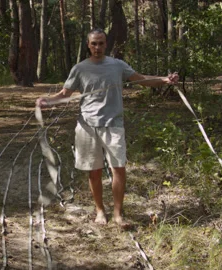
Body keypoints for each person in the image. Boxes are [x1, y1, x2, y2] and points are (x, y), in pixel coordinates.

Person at [36, 28, 179, 227]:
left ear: (106, 44)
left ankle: (118, 214)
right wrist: (47, 101)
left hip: (114, 126)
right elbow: (64, 94)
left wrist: (165, 80)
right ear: (88, 45)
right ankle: (100, 211)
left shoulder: (117, 65)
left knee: (118, 169)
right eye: (94, 43)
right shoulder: (80, 68)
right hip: (87, 127)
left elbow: (142, 80)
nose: (97, 47)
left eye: (101, 43)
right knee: (94, 172)